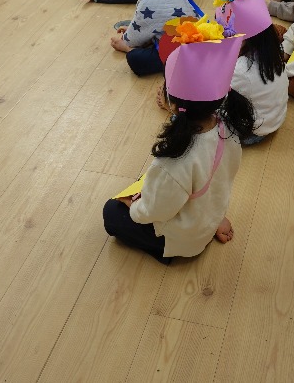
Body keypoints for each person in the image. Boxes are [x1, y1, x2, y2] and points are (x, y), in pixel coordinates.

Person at [102, 25, 256, 264]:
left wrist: (135, 205)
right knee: (169, 184)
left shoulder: (174, 160)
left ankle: (173, 245)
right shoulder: (228, 127)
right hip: (208, 214)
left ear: (172, 103)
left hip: (184, 239)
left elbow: (153, 212)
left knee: (111, 212)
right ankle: (213, 222)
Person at [214, 0, 288, 145]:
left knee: (192, 116)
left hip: (253, 130)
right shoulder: (272, 50)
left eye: (227, 35)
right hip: (273, 117)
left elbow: (215, 98)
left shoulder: (241, 70)